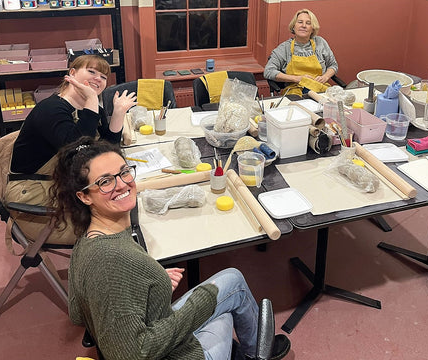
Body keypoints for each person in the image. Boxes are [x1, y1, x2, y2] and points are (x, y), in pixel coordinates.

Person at [50, 136, 291, 360]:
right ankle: (255, 353)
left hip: (152, 329)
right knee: (223, 307)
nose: (122, 184)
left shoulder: (87, 239)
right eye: (105, 182)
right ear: (84, 197)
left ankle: (255, 349)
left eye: (124, 172)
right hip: (170, 354)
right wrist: (200, 303)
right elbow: (133, 353)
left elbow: (77, 313)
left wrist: (147, 284)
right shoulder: (112, 259)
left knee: (232, 279)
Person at [4, 54, 137, 245]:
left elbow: (106, 152)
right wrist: (92, 99)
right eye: (91, 71)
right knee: (120, 213)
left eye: (103, 76)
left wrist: (118, 113)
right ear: (72, 74)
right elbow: (79, 153)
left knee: (125, 197)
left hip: (57, 183)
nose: (98, 79)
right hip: (32, 197)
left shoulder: (89, 109)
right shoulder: (51, 109)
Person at [264, 8, 338, 97]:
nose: (303, 26)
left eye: (308, 23)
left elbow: (333, 65)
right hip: (295, 92)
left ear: (313, 28)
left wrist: (325, 76)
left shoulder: (320, 43)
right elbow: (268, 71)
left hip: (320, 89)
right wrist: (296, 79)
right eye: (300, 22)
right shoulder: (284, 48)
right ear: (293, 26)